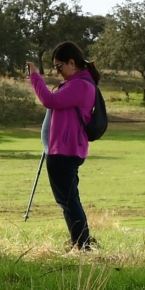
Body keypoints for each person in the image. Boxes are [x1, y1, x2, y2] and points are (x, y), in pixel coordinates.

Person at [25, 42, 99, 250]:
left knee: (67, 201)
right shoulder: (78, 83)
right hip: (65, 149)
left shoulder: (80, 85)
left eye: (59, 66)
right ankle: (81, 242)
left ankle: (81, 246)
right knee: (69, 199)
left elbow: (49, 100)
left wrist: (34, 77)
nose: (57, 71)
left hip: (64, 151)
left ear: (72, 63)